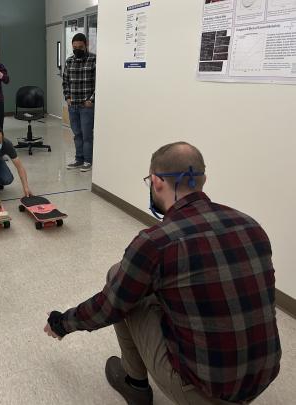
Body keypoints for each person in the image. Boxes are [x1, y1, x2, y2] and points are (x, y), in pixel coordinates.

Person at [44, 142, 281, 405]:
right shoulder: (250, 224)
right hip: (263, 377)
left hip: (206, 393)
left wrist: (61, 324)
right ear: (203, 180)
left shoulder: (156, 242)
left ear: (156, 182)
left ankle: (134, 384)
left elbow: (108, 307)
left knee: (118, 280)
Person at [63, 33, 96, 172]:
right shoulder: (69, 61)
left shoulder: (94, 60)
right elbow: (65, 82)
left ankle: (88, 161)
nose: (77, 49)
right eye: (74, 47)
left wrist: (91, 100)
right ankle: (79, 158)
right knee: (77, 134)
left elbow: (99, 83)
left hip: (86, 106)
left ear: (86, 45)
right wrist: (68, 98)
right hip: (73, 105)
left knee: (87, 135)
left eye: (80, 47)